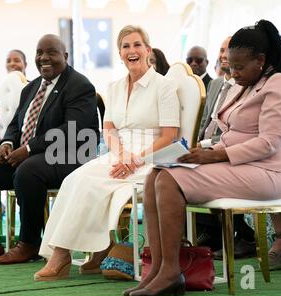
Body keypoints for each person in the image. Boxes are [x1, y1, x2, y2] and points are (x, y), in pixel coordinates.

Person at [125, 20, 281, 296]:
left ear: (261, 60)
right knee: (155, 174)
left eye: (240, 67)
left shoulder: (278, 84)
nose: (233, 73)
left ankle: (171, 271)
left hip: (268, 172)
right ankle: (156, 269)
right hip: (234, 163)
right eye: (230, 66)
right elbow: (227, 132)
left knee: (169, 180)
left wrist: (215, 155)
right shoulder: (243, 84)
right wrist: (197, 150)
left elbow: (269, 143)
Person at [34, 25, 180, 281]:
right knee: (74, 180)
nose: (131, 51)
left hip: (152, 157)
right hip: (119, 153)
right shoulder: (114, 87)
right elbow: (109, 128)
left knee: (94, 185)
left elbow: (170, 136)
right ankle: (68, 252)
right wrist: (122, 154)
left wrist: (136, 159)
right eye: (125, 46)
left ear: (147, 50)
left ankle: (76, 253)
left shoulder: (164, 86)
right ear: (120, 53)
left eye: (137, 45)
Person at [0, 34, 99, 264]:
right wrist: (7, 144)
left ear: (65, 57)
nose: (44, 58)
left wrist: (29, 148)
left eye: (51, 52)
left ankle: (29, 243)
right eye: (40, 53)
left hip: (70, 156)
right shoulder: (30, 88)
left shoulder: (80, 85)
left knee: (28, 170)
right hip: (31, 157)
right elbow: (15, 125)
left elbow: (72, 130)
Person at [195, 36, 257, 259]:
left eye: (228, 50)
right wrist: (195, 142)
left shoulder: (247, 88)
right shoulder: (214, 84)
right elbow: (204, 122)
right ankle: (207, 232)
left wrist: (205, 148)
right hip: (205, 143)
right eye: (221, 50)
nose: (223, 55)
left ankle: (241, 235)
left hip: (226, 148)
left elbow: (234, 132)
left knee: (199, 167)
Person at [0, 50, 29, 138]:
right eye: (8, 61)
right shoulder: (1, 92)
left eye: (17, 60)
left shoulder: (32, 87)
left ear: (25, 64)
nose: (12, 64)